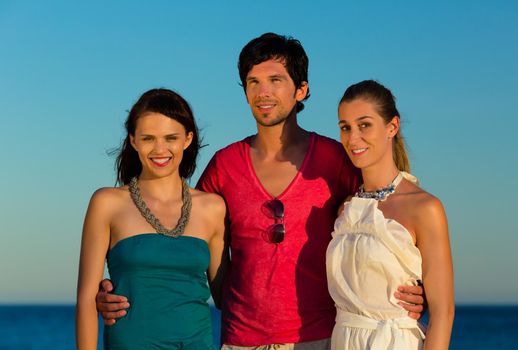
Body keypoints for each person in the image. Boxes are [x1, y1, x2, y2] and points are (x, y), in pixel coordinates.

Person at [96, 34, 426, 349]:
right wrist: (119, 289)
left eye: (275, 80)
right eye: (253, 82)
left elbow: (388, 222)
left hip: (321, 339)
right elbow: (181, 241)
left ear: (301, 90)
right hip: (240, 340)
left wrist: (419, 285)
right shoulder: (224, 166)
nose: (263, 92)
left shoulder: (333, 159)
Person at [76, 88, 227, 349]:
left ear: (187, 139)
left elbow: (227, 297)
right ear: (133, 140)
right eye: (148, 138)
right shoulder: (106, 203)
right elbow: (86, 301)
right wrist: (101, 295)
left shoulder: (212, 208)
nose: (160, 149)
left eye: (171, 137)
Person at [326, 80, 454, 349]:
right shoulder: (345, 210)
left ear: (392, 127)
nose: (352, 138)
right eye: (345, 127)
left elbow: (443, 313)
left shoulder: (424, 208)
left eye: (364, 125)